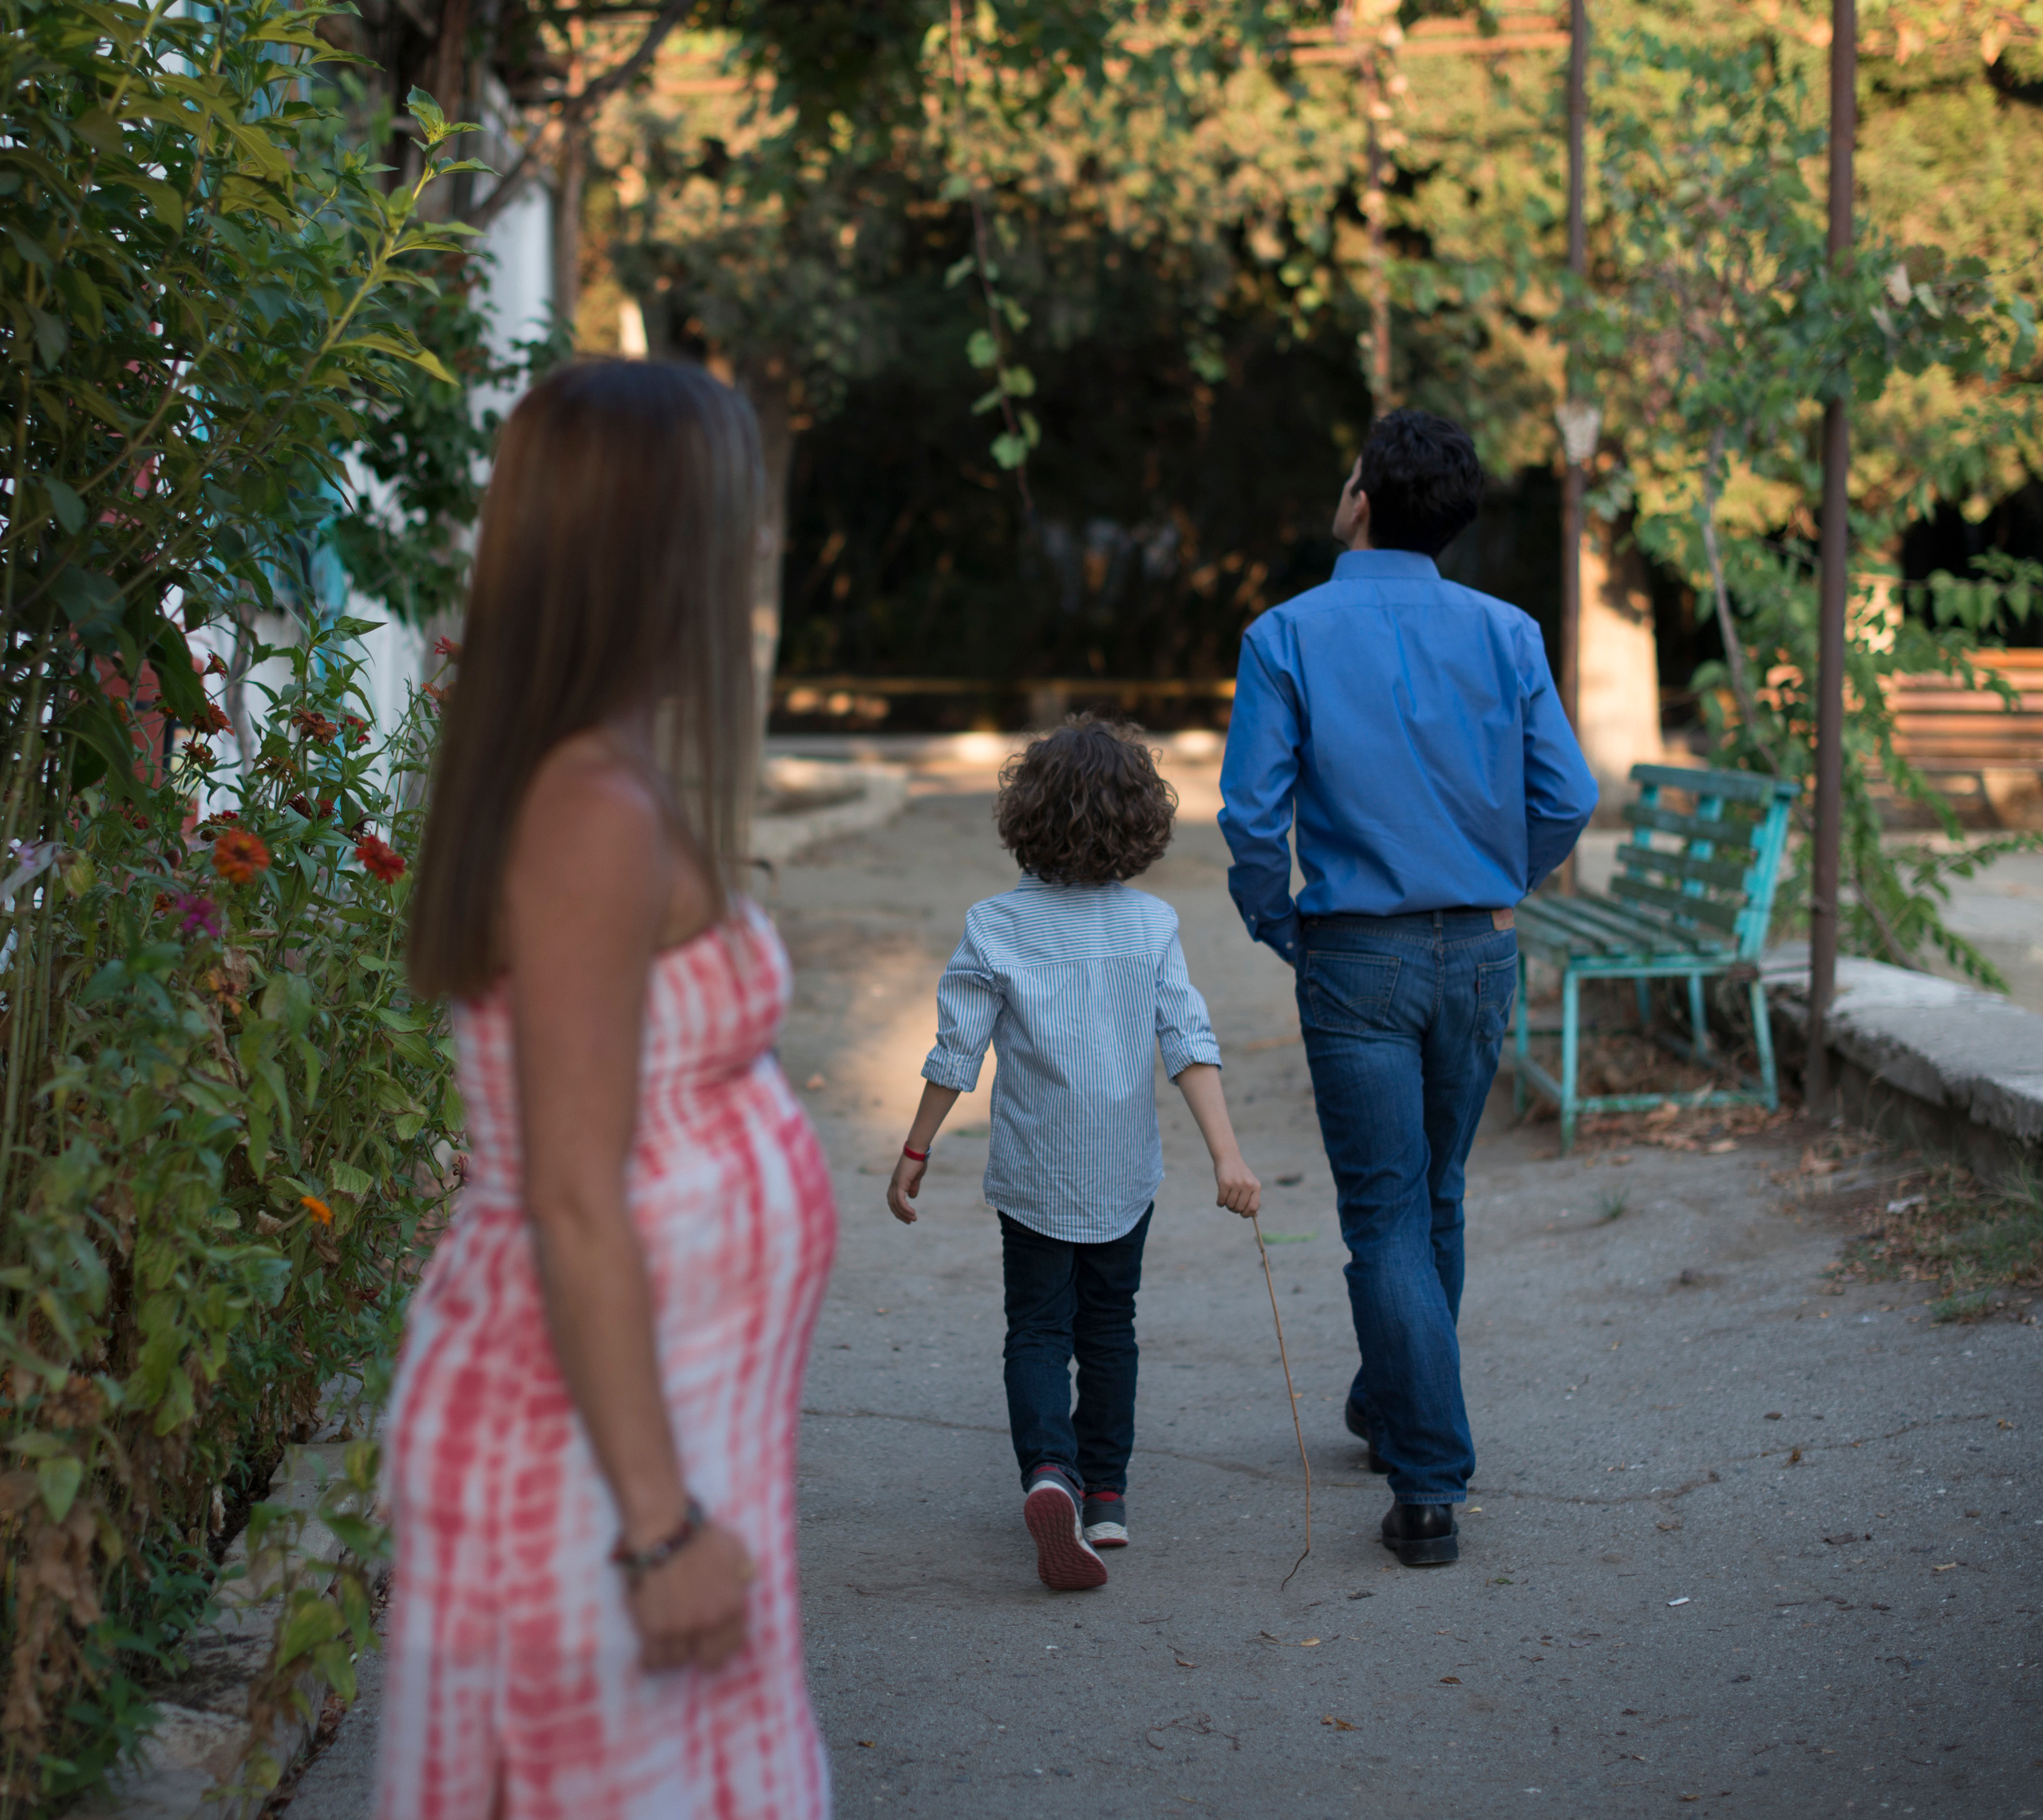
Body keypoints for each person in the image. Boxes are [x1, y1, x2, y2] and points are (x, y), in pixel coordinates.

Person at [380, 361, 836, 1818]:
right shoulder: (588, 805)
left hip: (647, 1450)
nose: (754, 555)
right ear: (658, 548)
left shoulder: (602, 773)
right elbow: (571, 1199)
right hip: (584, 1477)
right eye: (736, 521)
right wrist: (657, 1529)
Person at [1218, 409, 1598, 1569]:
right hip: (1478, 953)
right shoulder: (1508, 632)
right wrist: (1497, 888)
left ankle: (1427, 1479)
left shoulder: (1286, 632)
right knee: (1435, 1196)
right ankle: (1393, 1410)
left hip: (1356, 954)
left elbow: (1248, 817)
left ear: (1363, 501)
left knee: (1383, 1215)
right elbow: (1567, 795)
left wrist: (1286, 926)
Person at [887, 717, 1262, 1591]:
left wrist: (915, 1146)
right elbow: (1187, 1042)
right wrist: (1227, 1157)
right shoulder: (1152, 924)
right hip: (1124, 1172)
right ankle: (1105, 1495)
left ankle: (1046, 1471)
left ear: (1026, 814)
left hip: (1032, 1174)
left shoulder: (994, 924)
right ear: (1141, 821)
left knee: (1037, 1328)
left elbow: (956, 1052)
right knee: (1109, 1329)